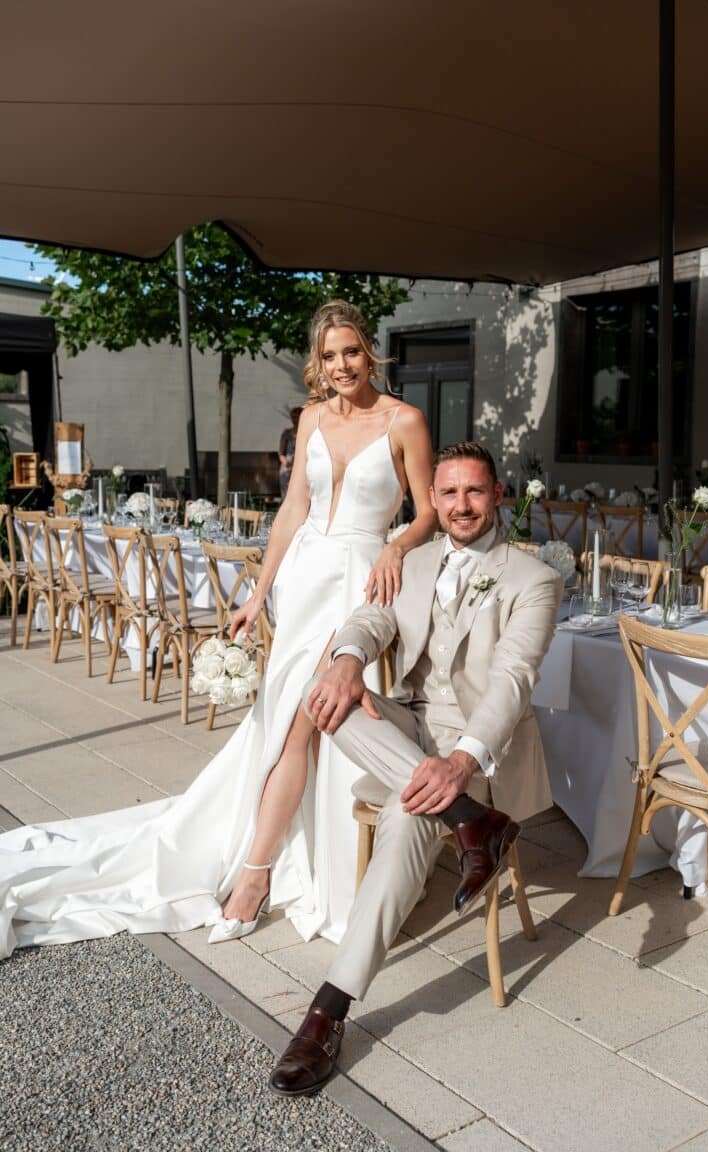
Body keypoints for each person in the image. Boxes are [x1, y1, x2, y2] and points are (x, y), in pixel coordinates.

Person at [0, 300, 436, 959]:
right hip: (305, 583)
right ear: (316, 365)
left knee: (308, 718)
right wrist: (257, 592)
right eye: (329, 356)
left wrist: (396, 547)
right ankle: (275, 861)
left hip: (360, 583)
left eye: (351, 351)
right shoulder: (313, 417)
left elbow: (429, 510)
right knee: (294, 717)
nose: (342, 365)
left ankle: (258, 874)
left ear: (368, 351)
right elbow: (293, 509)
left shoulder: (405, 420)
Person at [267, 442, 561, 1098]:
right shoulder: (414, 558)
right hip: (415, 726)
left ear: (498, 497)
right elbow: (372, 617)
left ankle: (326, 1014)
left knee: (407, 814)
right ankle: (471, 824)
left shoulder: (531, 579)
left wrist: (460, 763)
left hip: (484, 752)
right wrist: (347, 656)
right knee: (327, 699)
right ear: (434, 500)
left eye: (475, 492)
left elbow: (514, 678)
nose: (460, 505)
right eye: (449, 493)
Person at [278, 406, 303, 500]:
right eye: (293, 417)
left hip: (302, 467)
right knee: (286, 496)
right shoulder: (286, 433)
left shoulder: (307, 432)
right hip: (287, 468)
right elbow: (281, 453)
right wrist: (287, 465)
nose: (295, 419)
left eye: (297, 417)